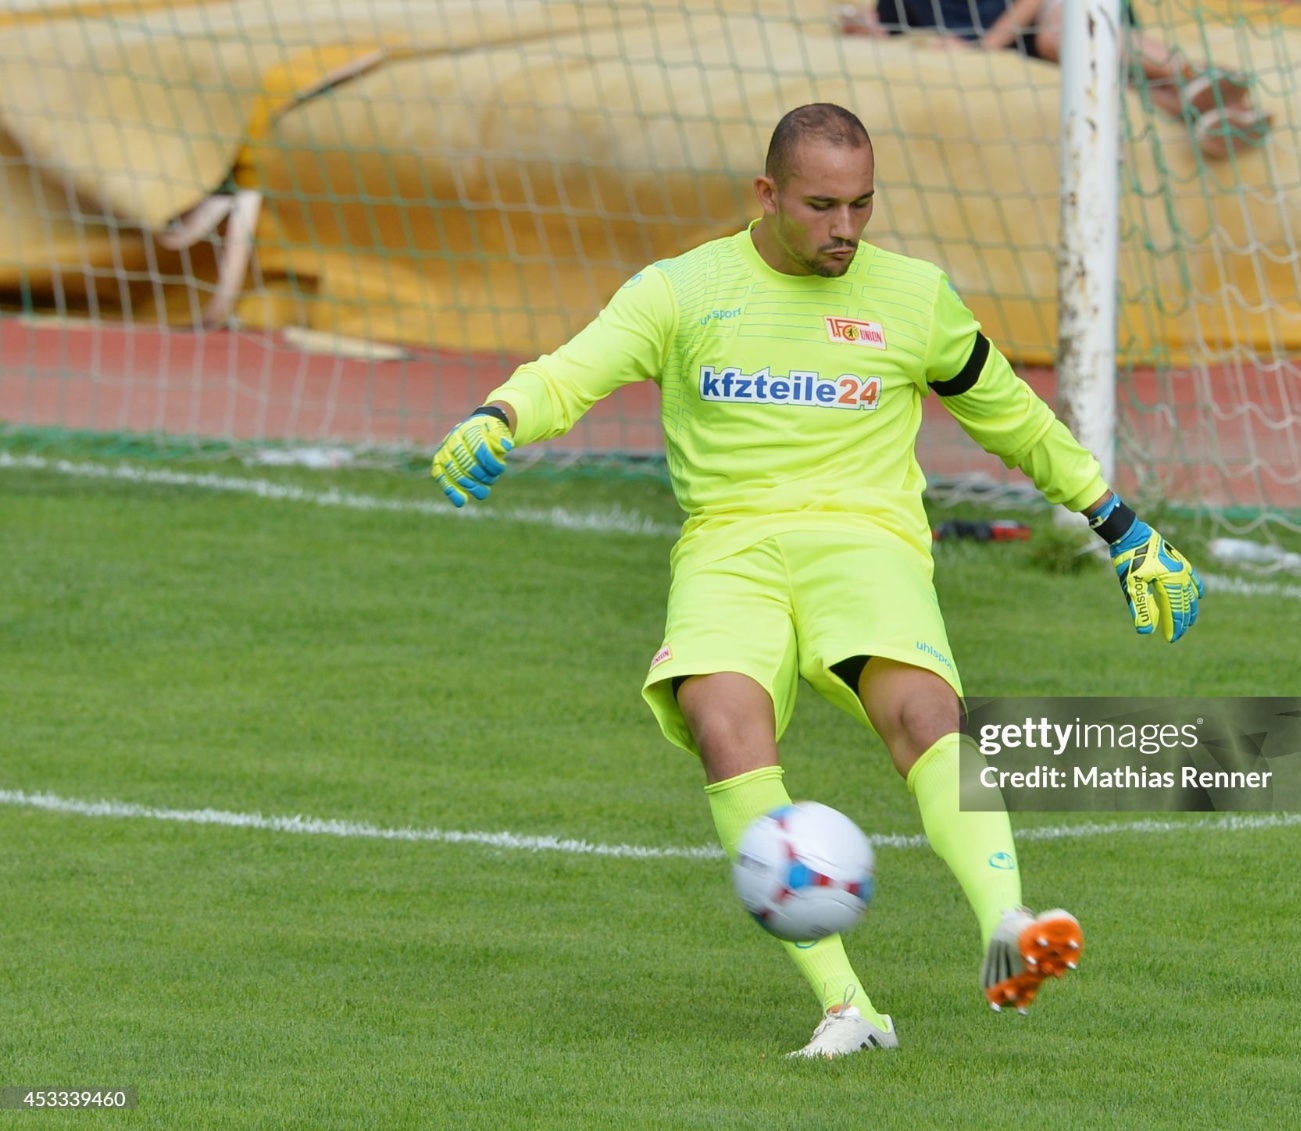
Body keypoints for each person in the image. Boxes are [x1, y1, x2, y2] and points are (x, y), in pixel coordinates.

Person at [431, 103, 1204, 1059]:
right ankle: (847, 1007)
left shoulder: (913, 298)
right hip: (730, 546)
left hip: (865, 541)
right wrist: (497, 414)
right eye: (822, 205)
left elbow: (1015, 418)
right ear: (768, 194)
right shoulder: (683, 290)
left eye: (863, 204)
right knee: (723, 726)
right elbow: (571, 372)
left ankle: (1010, 924)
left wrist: (1118, 524)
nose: (845, 228)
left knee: (926, 716)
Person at [840, 0, 1271, 159]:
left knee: (1057, 35)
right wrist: (861, 23)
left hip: (1060, 14)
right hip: (1042, 49)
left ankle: (1194, 73)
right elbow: (881, 21)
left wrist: (987, 46)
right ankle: (1216, 112)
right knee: (1109, 81)